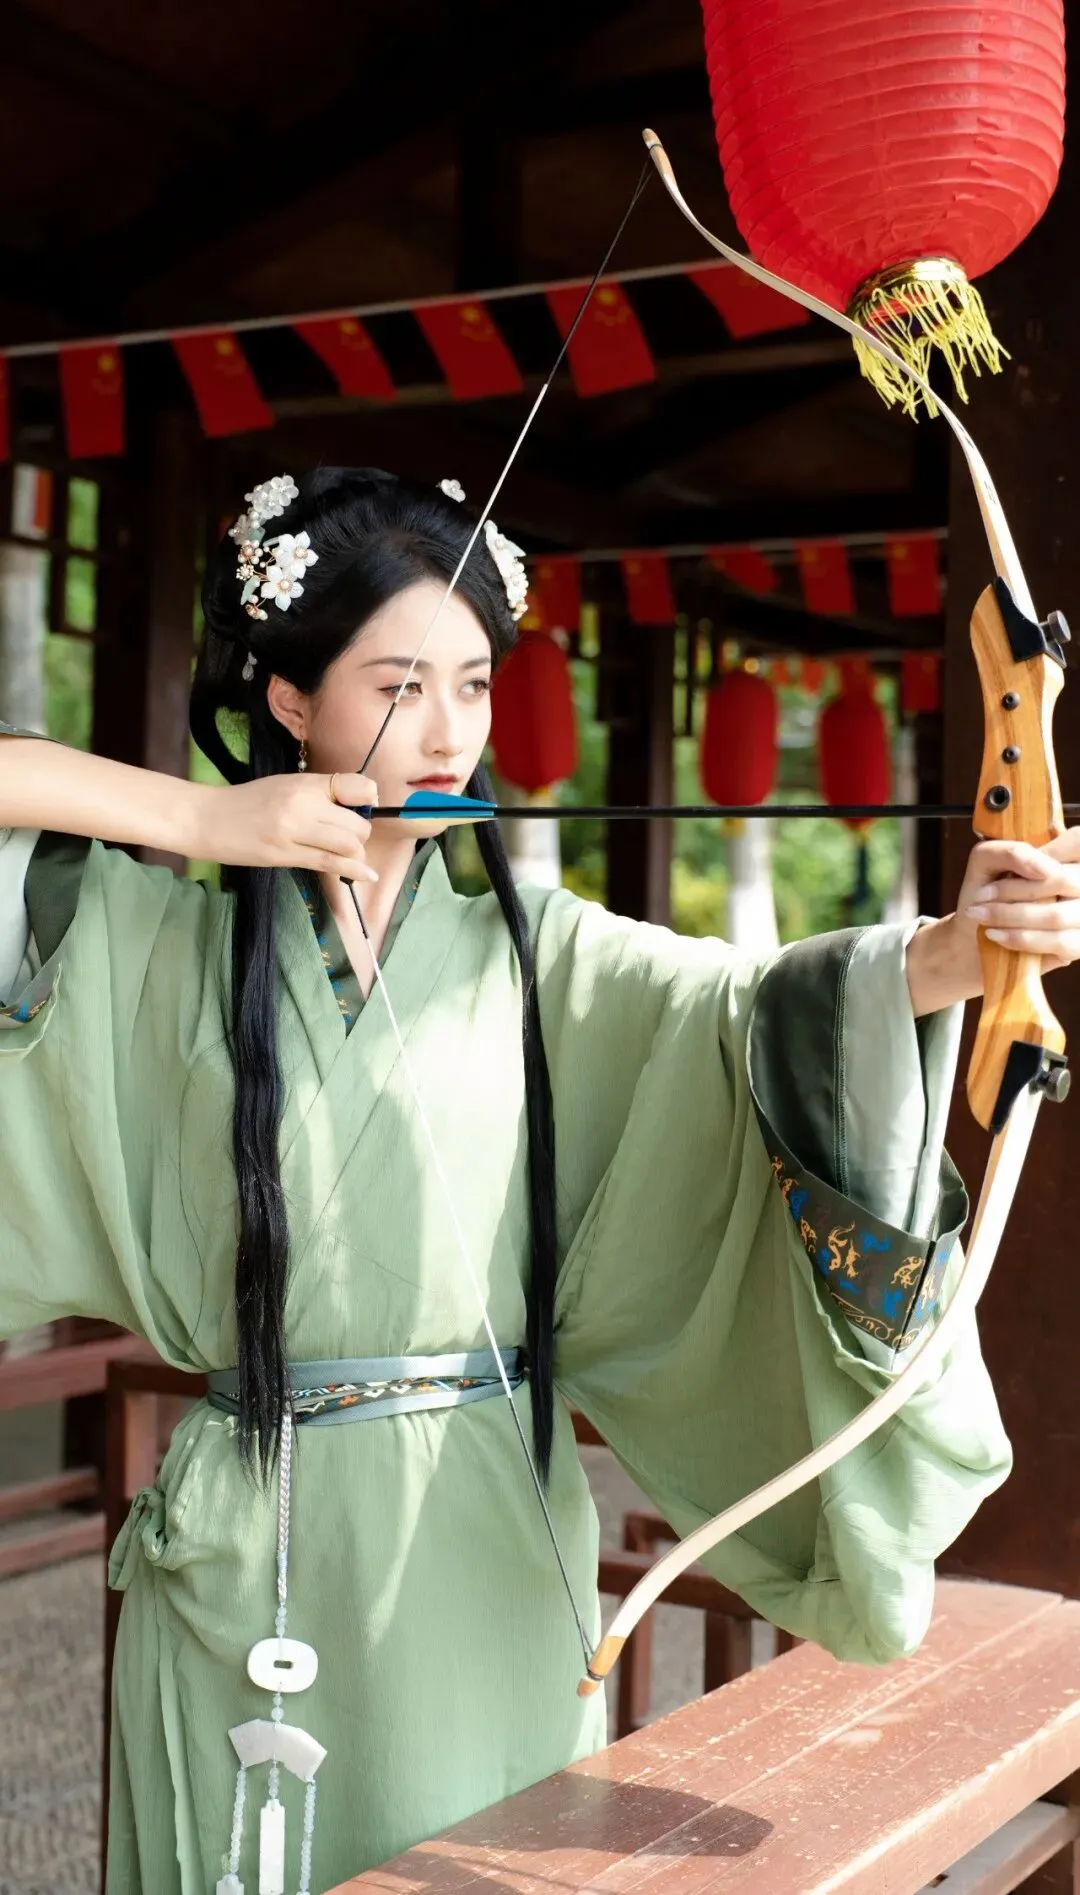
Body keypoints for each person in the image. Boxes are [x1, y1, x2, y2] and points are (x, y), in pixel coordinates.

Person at [1, 466, 1078, 1895]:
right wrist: (205, 823)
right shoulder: (153, 941)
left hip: (484, 1533)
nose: (450, 730)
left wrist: (965, 947)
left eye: (473, 684)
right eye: (399, 686)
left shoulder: (547, 956)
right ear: (290, 700)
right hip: (238, 1536)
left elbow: (758, 1016)